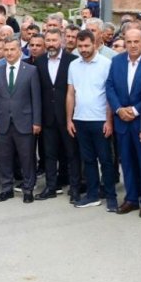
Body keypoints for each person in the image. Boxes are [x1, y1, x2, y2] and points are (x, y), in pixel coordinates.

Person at [107, 27, 141, 216]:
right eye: (129, 42)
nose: (133, 45)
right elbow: (110, 86)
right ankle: (131, 199)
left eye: (136, 41)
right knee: (127, 162)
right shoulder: (117, 61)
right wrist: (118, 109)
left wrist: (135, 110)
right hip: (122, 120)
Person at [67, 30, 118, 211]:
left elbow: (110, 94)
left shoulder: (106, 64)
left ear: (95, 44)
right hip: (80, 120)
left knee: (106, 161)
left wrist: (109, 121)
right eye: (80, 46)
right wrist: (69, 119)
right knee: (87, 160)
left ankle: (111, 197)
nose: (83, 49)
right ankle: (92, 195)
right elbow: (71, 93)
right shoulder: (73, 65)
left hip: (100, 120)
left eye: (87, 45)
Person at [0, 37, 41, 203]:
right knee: (4, 158)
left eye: (12, 49)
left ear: (20, 51)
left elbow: (36, 98)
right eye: (6, 50)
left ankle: (28, 189)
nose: (9, 53)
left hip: (25, 122)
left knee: (27, 158)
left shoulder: (31, 71)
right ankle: (6, 188)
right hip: (3, 122)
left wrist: (37, 122)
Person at [34, 29, 78, 202]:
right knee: (49, 154)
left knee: (72, 154)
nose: (51, 44)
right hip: (47, 117)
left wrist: (71, 116)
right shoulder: (39, 61)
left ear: (62, 41)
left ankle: (75, 188)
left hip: (67, 116)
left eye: (54, 40)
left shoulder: (72, 61)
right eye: (48, 40)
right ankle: (51, 187)